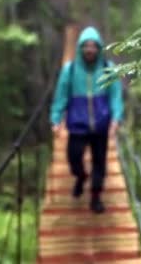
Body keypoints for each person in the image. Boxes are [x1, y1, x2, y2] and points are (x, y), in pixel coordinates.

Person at [50, 26, 124, 213]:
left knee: (100, 163)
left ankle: (96, 198)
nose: (90, 50)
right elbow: (61, 95)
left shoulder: (108, 69)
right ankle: (81, 176)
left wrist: (116, 118)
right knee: (73, 157)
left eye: (93, 46)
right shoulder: (71, 70)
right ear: (80, 48)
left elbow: (115, 95)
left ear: (99, 48)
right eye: (86, 46)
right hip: (77, 124)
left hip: (101, 125)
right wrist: (56, 119)